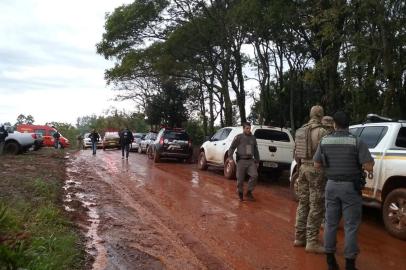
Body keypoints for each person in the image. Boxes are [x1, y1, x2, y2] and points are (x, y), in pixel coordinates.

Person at [314, 111, 374, 270]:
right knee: (351, 226)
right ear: (348, 124)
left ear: (334, 124)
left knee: (330, 224)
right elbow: (368, 165)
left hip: (331, 186)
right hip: (350, 189)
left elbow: (317, 165)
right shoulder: (356, 141)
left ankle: (330, 262)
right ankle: (349, 264)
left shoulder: (324, 141)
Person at [293, 105, 328, 253]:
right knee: (316, 205)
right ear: (321, 115)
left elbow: (296, 154)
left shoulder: (300, 130)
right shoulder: (322, 132)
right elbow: (326, 156)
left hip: (302, 169)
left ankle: (299, 238)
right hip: (316, 170)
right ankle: (312, 242)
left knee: (303, 203)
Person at [227, 122, 259, 201]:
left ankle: (249, 192)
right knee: (240, 179)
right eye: (247, 128)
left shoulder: (253, 138)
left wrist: (257, 161)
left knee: (255, 175)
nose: (248, 130)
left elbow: (255, 150)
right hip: (241, 161)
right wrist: (230, 157)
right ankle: (240, 193)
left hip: (250, 161)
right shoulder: (239, 137)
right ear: (243, 128)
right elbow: (232, 147)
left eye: (249, 128)